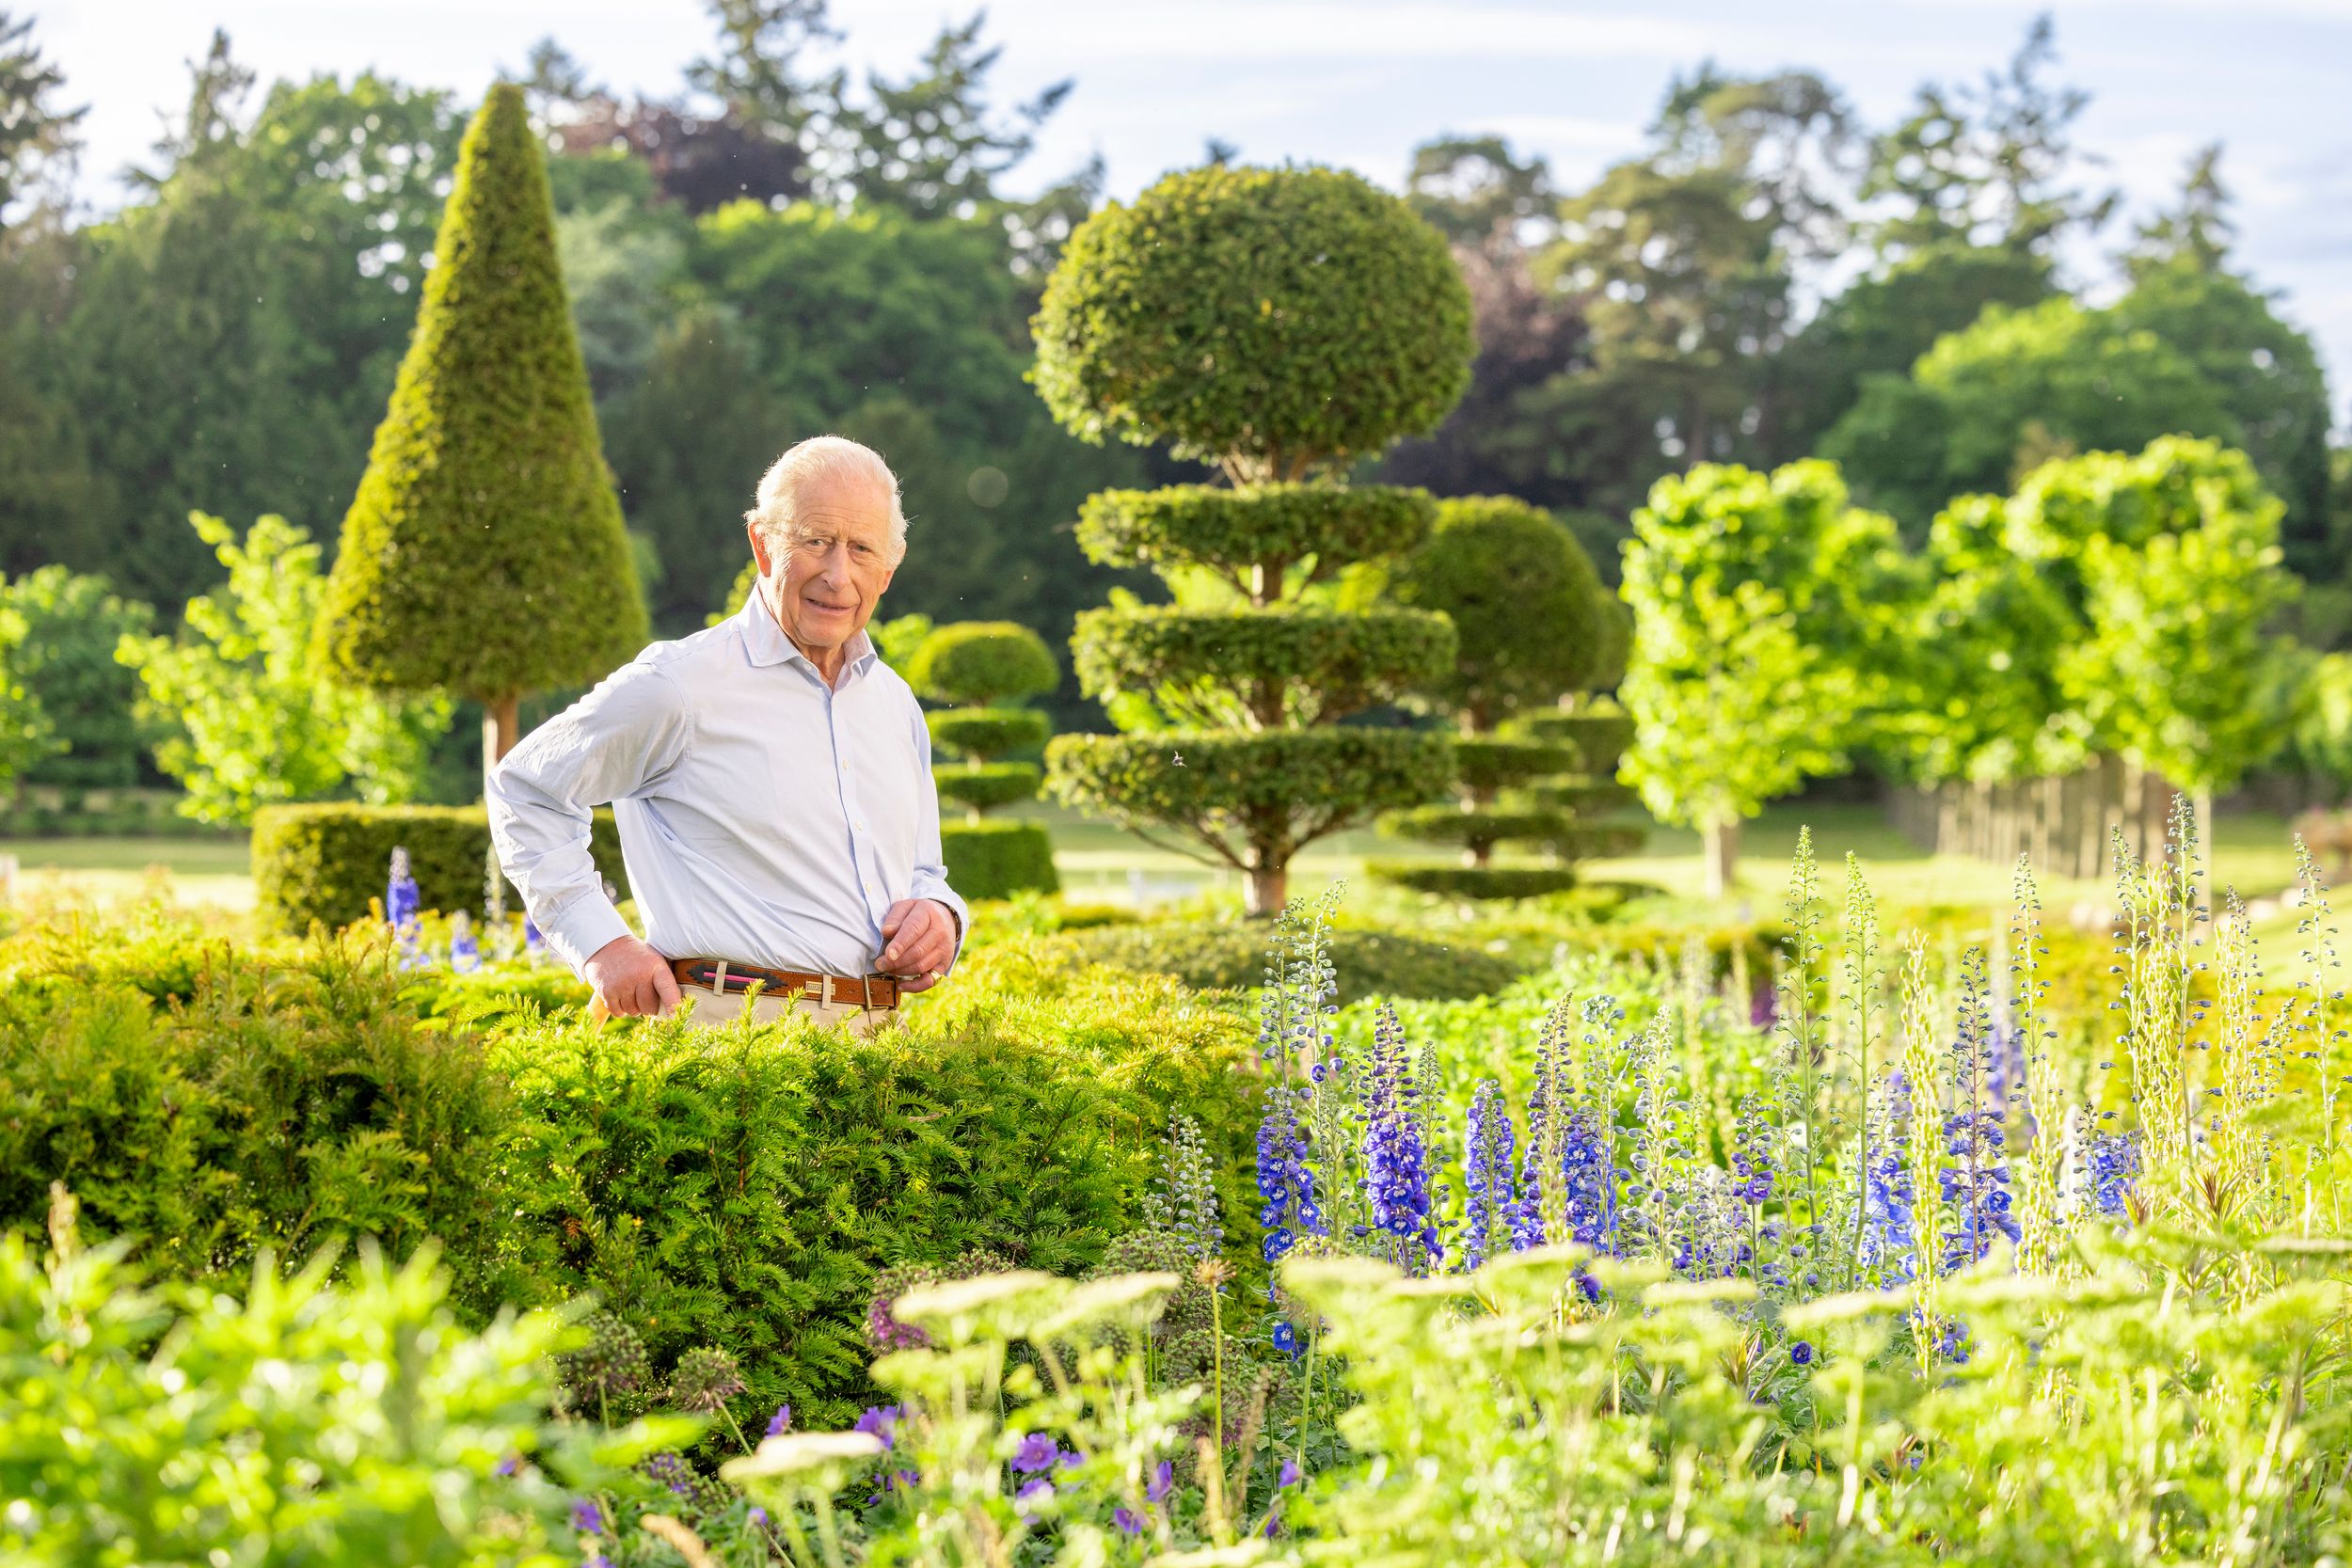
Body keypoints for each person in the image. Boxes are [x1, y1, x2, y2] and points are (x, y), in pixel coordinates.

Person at [488, 436, 968, 1035]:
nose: (837, 574)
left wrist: (942, 918)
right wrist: (602, 945)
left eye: (861, 548)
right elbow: (526, 789)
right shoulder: (679, 686)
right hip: (724, 1035)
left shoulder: (895, 704)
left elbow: (924, 872)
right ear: (763, 545)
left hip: (880, 1045)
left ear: (889, 571)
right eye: (815, 541)